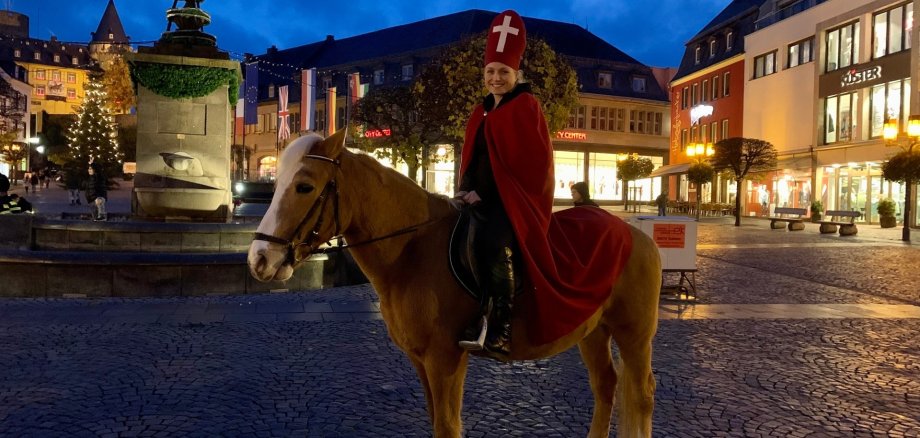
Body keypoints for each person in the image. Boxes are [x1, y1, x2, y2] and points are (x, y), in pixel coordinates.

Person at [454, 10, 554, 358]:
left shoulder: (525, 107)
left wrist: (486, 193)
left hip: (511, 202)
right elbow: (473, 157)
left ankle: (502, 328)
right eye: (491, 72)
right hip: (476, 197)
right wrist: (464, 189)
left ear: (516, 73)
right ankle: (473, 312)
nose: (496, 78)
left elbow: (531, 165)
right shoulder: (480, 113)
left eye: (503, 72)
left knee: (493, 242)